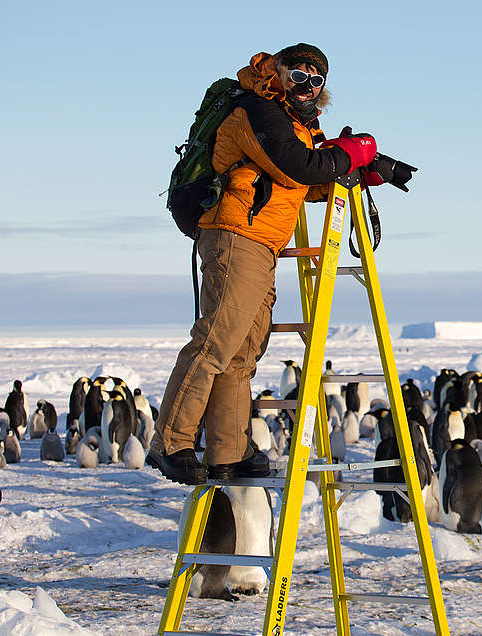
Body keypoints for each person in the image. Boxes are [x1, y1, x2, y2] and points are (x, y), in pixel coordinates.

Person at [147, 43, 383, 485]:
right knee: (217, 341)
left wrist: (364, 171)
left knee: (242, 353)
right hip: (236, 236)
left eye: (317, 81)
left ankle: (228, 451)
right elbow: (296, 165)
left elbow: (300, 182)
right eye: (299, 76)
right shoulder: (258, 110)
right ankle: (171, 442)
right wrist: (347, 154)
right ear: (279, 72)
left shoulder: (298, 124)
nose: (308, 87)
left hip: (262, 244)